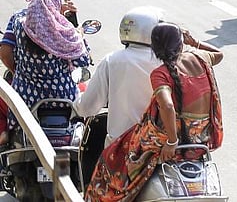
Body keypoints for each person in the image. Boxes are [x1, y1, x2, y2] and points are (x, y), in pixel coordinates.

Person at [85, 22, 223, 201]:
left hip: (170, 137)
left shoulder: (161, 73)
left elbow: (167, 106)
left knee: (113, 157)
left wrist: (172, 141)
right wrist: (195, 42)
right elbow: (219, 55)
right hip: (200, 136)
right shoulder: (201, 57)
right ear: (181, 43)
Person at [2, 0, 90, 134]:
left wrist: (19, 73)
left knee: (11, 121)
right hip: (64, 98)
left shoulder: (19, 22)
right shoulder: (64, 28)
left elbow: (5, 52)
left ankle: (6, 135)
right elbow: (83, 60)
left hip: (25, 98)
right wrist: (79, 33)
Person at [74, 6, 166, 146]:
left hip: (122, 148)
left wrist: (77, 99)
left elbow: (87, 108)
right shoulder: (169, 62)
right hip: (164, 146)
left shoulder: (112, 61)